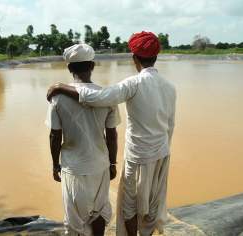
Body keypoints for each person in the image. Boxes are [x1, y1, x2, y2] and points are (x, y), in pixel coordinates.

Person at [47, 32, 177, 236]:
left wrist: (59, 86)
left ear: (134, 57)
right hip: (160, 153)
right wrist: (112, 163)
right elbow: (170, 125)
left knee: (129, 205)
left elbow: (98, 98)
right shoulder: (170, 87)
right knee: (152, 202)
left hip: (136, 156)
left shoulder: (133, 84)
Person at [45, 43, 121, 236]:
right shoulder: (106, 97)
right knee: (100, 210)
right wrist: (112, 162)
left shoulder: (58, 98)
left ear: (69, 68)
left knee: (74, 217)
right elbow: (112, 135)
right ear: (92, 66)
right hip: (100, 164)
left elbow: (55, 135)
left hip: (73, 167)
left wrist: (55, 165)